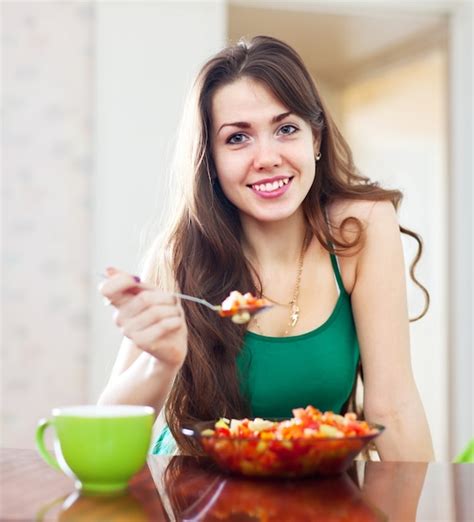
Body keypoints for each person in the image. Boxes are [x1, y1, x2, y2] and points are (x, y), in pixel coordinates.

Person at [98, 35, 434, 461]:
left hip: (318, 494)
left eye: (286, 129)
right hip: (193, 493)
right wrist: (159, 362)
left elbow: (396, 408)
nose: (267, 157)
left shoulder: (360, 228)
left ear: (316, 139)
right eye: (237, 139)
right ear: (212, 162)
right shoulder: (177, 255)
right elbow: (105, 435)